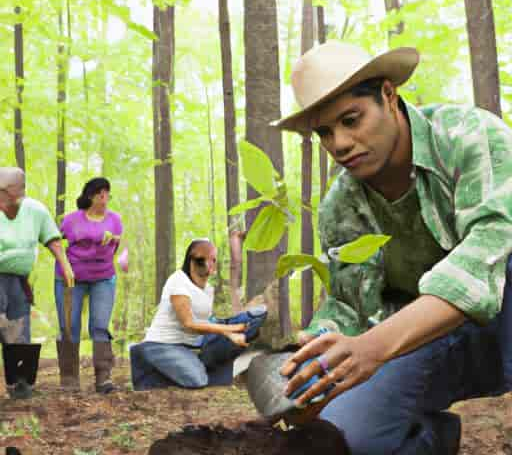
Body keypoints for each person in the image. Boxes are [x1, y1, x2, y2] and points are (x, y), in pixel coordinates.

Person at [272, 41, 512, 455]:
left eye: (351, 119)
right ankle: (435, 438)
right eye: (325, 132)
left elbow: (486, 255)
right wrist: (312, 360)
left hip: (504, 312)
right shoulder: (340, 206)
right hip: (427, 339)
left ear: (388, 94)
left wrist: (372, 348)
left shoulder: (469, 135)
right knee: (347, 439)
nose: (341, 143)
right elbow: (350, 308)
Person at [130, 238, 267, 390]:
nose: (211, 264)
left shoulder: (208, 288)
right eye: (205, 259)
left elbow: (206, 320)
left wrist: (228, 331)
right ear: (192, 261)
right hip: (164, 344)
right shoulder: (178, 281)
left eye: (214, 259)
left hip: (196, 342)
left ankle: (199, 363)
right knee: (198, 380)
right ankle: (143, 356)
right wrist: (230, 330)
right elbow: (189, 324)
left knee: (257, 316)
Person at [0, 167, 74, 399]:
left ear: (19, 190)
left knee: (19, 330)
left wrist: (66, 265)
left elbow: (52, 239)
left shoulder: (35, 210)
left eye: (6, 190)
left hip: (18, 280)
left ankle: (21, 386)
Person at [55, 177, 123, 393]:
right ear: (90, 196)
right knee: (69, 326)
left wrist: (113, 241)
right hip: (71, 278)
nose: (104, 198)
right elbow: (56, 242)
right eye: (99, 194)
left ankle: (103, 378)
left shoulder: (114, 219)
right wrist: (65, 267)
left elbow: (118, 246)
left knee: (100, 325)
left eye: (107, 194)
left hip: (103, 277)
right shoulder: (72, 220)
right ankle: (69, 379)